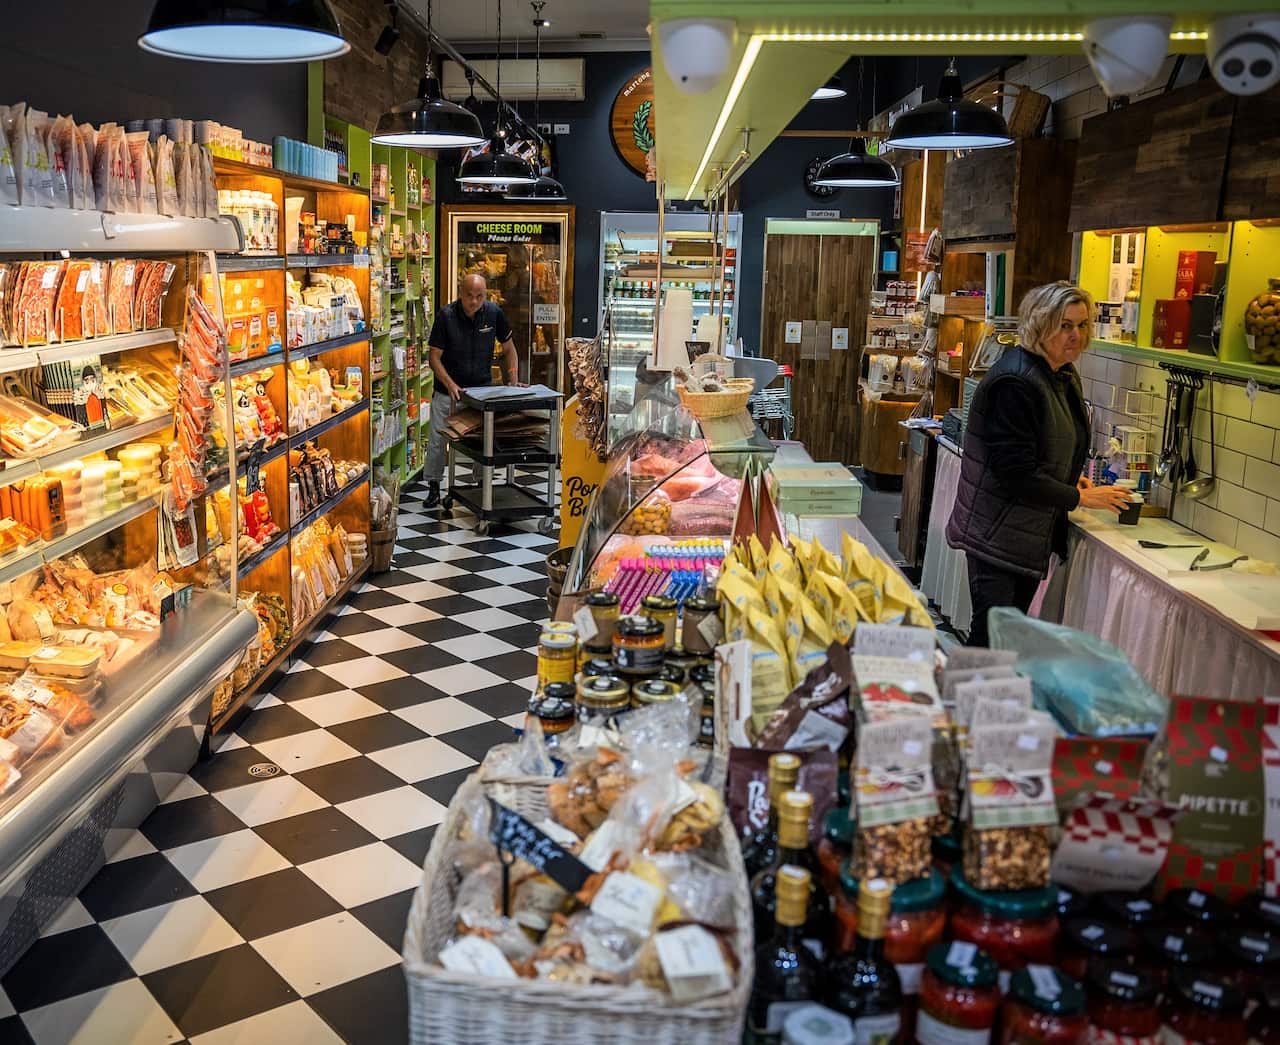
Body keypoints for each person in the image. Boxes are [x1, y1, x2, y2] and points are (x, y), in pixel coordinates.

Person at [946, 281, 1132, 646]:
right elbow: (1014, 471)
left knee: (1007, 640)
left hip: (1023, 532)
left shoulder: (1061, 374)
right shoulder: (1016, 381)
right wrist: (1078, 498)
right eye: (1065, 325)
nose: (1076, 335)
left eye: (1082, 325)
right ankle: (964, 687)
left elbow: (1047, 443)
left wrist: (1069, 478)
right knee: (992, 641)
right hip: (997, 532)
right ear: (1039, 325)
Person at [422, 273, 522, 508]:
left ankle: (481, 483)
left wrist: (513, 379)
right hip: (447, 392)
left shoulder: (494, 313)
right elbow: (434, 357)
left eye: (480, 296)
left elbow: (509, 349)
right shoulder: (446, 316)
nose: (474, 301)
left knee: (483, 441)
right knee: (437, 441)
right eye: (470, 296)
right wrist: (450, 384)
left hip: (480, 392)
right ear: (460, 294)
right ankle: (434, 486)